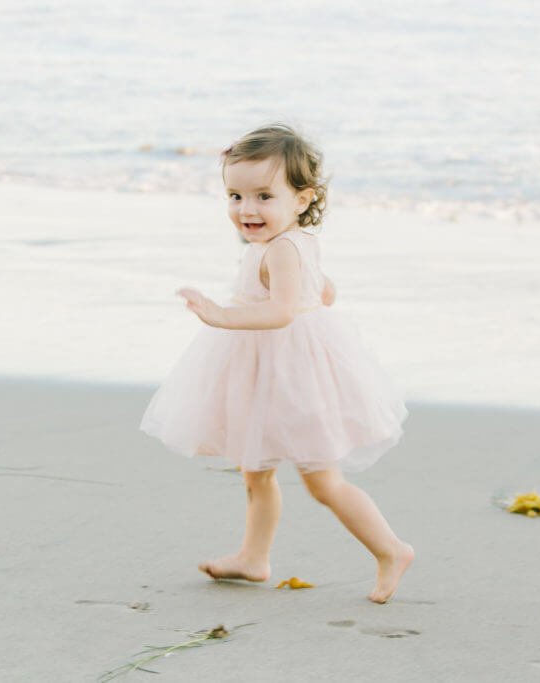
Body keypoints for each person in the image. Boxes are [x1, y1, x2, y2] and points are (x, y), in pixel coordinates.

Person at [139, 124, 412, 603]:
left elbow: (283, 312)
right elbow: (322, 289)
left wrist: (222, 315)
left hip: (289, 374)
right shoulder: (294, 241)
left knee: (323, 483)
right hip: (268, 367)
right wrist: (316, 293)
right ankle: (253, 557)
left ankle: (391, 550)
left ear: (302, 200)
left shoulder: (283, 248)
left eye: (264, 196)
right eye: (235, 195)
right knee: (256, 471)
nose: (247, 209)